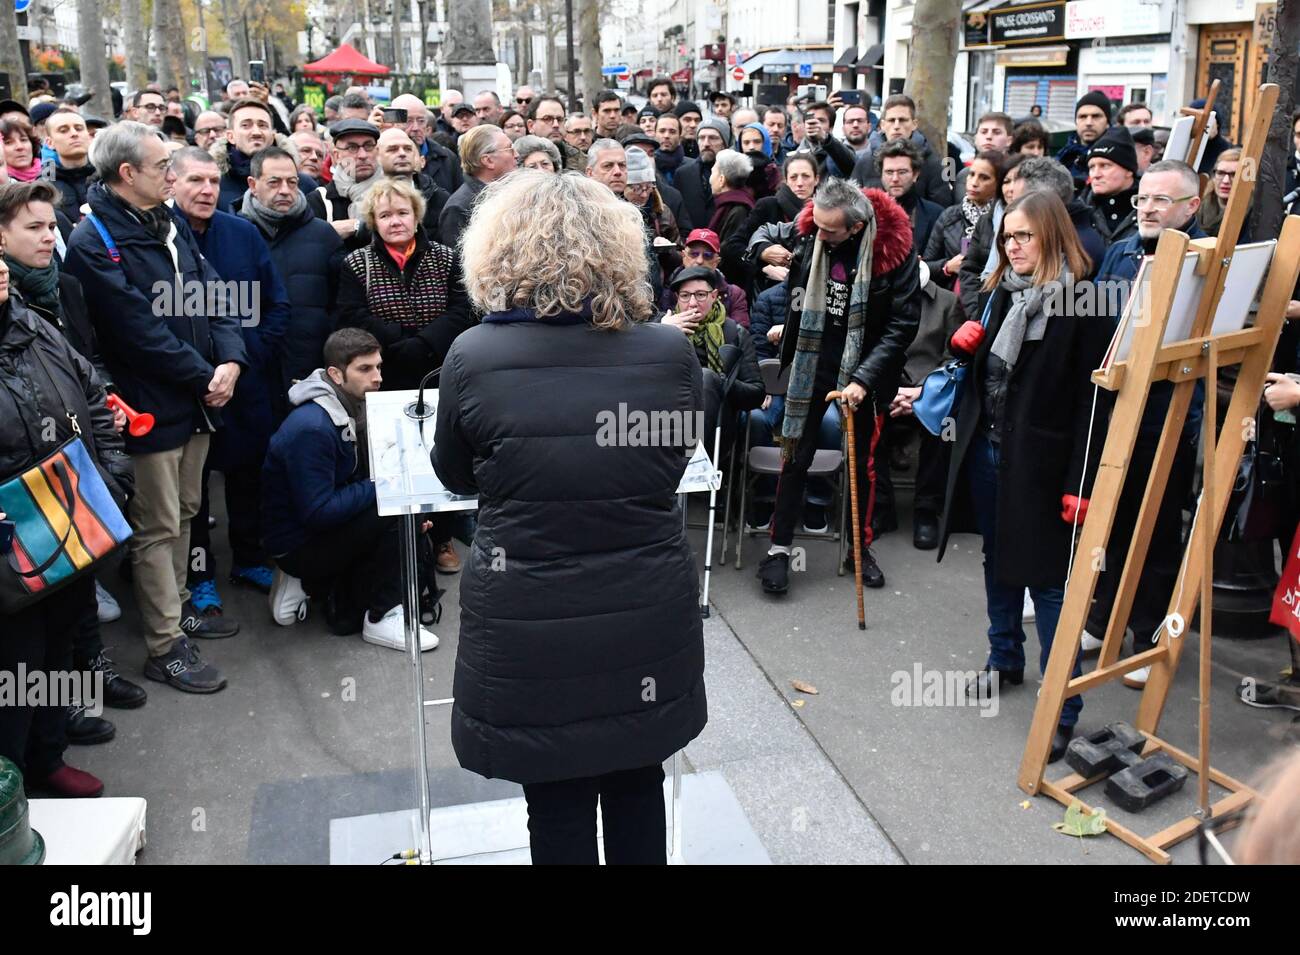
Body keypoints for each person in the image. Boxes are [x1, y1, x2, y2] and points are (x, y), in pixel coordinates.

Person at [431, 169, 706, 865]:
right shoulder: (668, 353)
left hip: (530, 611)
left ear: (497, 253)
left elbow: (455, 475)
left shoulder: (474, 356)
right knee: (638, 774)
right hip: (642, 604)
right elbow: (668, 466)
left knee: (553, 793)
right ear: (621, 250)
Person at [65, 121, 248, 691]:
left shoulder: (165, 222)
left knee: (187, 511)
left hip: (197, 401)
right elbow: (134, 331)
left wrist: (232, 359)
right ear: (128, 174)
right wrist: (205, 376)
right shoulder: (94, 239)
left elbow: (215, 294)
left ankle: (175, 610)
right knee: (157, 524)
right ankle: (165, 644)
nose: (173, 175)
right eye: (162, 167)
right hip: (151, 405)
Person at [937, 190, 1107, 762]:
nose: (1013, 245)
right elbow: (985, 379)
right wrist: (962, 353)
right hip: (988, 453)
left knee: (1050, 582)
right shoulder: (999, 295)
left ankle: (1062, 705)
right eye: (1008, 237)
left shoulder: (1084, 302)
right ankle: (1003, 657)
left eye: (1025, 235)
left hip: (1046, 464)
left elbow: (1094, 404)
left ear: (1053, 235)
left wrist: (1080, 482)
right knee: (996, 557)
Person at [0, 242, 134, 797]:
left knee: (61, 644)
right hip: (9, 538)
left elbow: (94, 398)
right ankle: (11, 782)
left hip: (69, 515)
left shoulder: (33, 325)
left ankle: (47, 759)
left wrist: (112, 477)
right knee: (15, 664)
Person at [757, 180, 920, 595]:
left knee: (862, 463)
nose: (818, 235)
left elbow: (902, 326)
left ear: (858, 226)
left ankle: (858, 549)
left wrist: (864, 379)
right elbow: (789, 276)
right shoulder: (813, 233)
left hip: (866, 371)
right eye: (816, 226)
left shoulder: (894, 254)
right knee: (795, 453)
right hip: (813, 364)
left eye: (830, 231)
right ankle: (779, 550)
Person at [1085, 160, 1204, 686]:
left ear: (1191, 207)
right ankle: (1099, 616)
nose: (1148, 209)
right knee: (1107, 518)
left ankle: (1146, 632)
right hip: (1115, 405)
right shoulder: (1123, 248)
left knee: (1154, 525)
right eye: (1143, 199)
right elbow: (1101, 319)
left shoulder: (1207, 257)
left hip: (1167, 412)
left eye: (1161, 201)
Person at [261, 328, 439, 650]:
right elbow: (318, 511)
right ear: (335, 374)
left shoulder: (344, 405)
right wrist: (383, 485)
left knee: (404, 511)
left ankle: (308, 583)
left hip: (306, 532)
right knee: (396, 508)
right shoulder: (313, 427)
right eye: (365, 369)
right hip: (297, 545)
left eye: (379, 367)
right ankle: (382, 618)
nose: (378, 377)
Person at [168, 147, 290, 614]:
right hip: (191, 387)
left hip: (248, 383)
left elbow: (276, 305)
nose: (206, 190)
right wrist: (205, 370)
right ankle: (199, 574)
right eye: (194, 181)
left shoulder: (243, 233)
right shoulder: (160, 241)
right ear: (170, 184)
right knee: (193, 491)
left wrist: (245, 360)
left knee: (246, 477)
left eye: (213, 182)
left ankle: (249, 558)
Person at [338, 177, 472, 393]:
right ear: (374, 222)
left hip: (441, 368)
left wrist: (425, 342)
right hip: (384, 371)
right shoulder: (356, 263)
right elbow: (352, 316)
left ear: (416, 216)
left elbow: (462, 310)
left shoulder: (446, 257)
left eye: (402, 213)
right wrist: (399, 340)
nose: (395, 221)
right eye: (385, 215)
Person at [240, 145, 343, 388]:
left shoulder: (324, 235)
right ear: (253, 185)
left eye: (292, 182)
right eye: (274, 182)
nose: (285, 190)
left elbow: (341, 306)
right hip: (251, 369)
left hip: (312, 368)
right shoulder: (233, 234)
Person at [661, 265, 764, 461]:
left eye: (700, 295)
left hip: (715, 422)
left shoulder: (734, 333)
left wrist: (722, 383)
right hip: (665, 416)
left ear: (714, 295)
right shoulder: (662, 325)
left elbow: (756, 393)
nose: (692, 303)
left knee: (707, 378)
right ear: (677, 298)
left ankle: (692, 465)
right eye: (685, 296)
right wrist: (662, 333)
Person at [850, 94, 953, 207]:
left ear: (914, 124)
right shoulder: (865, 162)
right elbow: (852, 205)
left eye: (903, 120)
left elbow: (941, 210)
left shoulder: (931, 163)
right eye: (891, 120)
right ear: (883, 125)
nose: (897, 126)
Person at [212, 99, 315, 212]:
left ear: (272, 136)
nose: (256, 132)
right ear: (230, 136)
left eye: (263, 125)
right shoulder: (214, 185)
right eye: (246, 125)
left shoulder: (304, 184)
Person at [924, 149, 1003, 290]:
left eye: (984, 177)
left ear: (998, 183)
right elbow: (926, 265)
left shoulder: (1005, 219)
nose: (974, 182)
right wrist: (947, 267)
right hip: (954, 299)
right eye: (971, 174)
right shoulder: (949, 217)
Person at [307, 118, 381, 250]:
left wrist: (356, 226)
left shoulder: (394, 195)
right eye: (352, 148)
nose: (362, 155)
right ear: (336, 156)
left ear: (378, 150)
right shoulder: (320, 201)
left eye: (369, 146)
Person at [439, 124, 514, 249]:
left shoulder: (511, 193)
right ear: (488, 160)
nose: (516, 154)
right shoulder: (458, 208)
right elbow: (460, 263)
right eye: (509, 149)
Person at [376, 127, 450, 239]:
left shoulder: (438, 198)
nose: (402, 153)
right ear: (377, 156)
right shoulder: (364, 197)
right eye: (393, 149)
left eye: (408, 149)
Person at [876, 139, 942, 256]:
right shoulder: (868, 214)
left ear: (915, 174)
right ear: (881, 175)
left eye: (902, 172)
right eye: (889, 172)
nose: (895, 178)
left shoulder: (936, 214)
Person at [389, 94, 462, 193]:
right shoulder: (381, 156)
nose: (416, 128)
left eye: (421, 121)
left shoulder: (447, 158)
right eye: (408, 121)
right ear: (392, 122)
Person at [1081, 125, 1140, 242]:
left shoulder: (1149, 209)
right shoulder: (1080, 211)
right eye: (1092, 167)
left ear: (1128, 171)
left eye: (1105, 166)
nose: (1096, 174)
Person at [707, 149, 755, 286]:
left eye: (713, 172)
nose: (710, 179)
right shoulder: (731, 204)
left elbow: (730, 254)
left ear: (721, 179)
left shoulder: (739, 210)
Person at [676, 119, 728, 240]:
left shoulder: (734, 175)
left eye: (713, 138)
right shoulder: (683, 174)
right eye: (701, 138)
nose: (706, 143)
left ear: (724, 142)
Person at [1057, 90, 1111, 192]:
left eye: (1096, 116)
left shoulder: (1116, 157)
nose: (1089, 122)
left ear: (1107, 122)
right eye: (1082, 117)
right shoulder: (1064, 155)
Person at [526, 96, 585, 171]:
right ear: (531, 126)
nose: (556, 124)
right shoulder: (516, 162)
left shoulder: (583, 162)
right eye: (547, 119)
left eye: (560, 119)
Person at [3, 118, 42, 182]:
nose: (20, 147)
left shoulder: (51, 173)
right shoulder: (3, 185)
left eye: (23, 140)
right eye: (8, 142)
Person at [654, 112, 686, 186]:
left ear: (680, 136)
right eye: (662, 131)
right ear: (655, 134)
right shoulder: (647, 167)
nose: (666, 136)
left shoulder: (692, 168)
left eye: (672, 132)